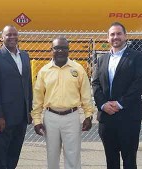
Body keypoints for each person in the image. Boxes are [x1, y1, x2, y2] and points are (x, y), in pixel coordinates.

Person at [31, 37, 95, 169]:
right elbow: (38, 98)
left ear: (68, 50)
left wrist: (88, 115)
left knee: (73, 155)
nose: (60, 51)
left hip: (71, 117)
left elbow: (86, 94)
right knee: (52, 156)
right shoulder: (44, 71)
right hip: (51, 117)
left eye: (64, 48)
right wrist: (37, 120)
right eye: (57, 48)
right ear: (51, 50)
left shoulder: (78, 69)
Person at [92, 22, 142, 169]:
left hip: (128, 116)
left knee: (129, 160)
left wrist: (120, 103)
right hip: (106, 117)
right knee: (111, 160)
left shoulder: (138, 57)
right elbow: (95, 84)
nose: (115, 37)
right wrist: (103, 104)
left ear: (125, 36)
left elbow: (139, 83)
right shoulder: (101, 59)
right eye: (112, 34)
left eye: (118, 34)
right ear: (107, 38)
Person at [0, 25, 33, 169]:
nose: (12, 37)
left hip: (21, 116)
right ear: (2, 38)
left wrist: (28, 110)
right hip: (4, 118)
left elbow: (28, 85)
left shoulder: (24, 56)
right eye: (8, 35)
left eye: (14, 34)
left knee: (14, 153)